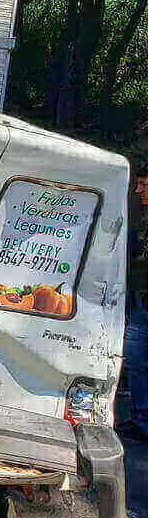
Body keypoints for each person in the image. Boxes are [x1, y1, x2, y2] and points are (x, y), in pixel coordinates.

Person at [120, 163, 148, 442]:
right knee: (137, 361)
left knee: (139, 359)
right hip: (141, 301)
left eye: (143, 185)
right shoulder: (143, 219)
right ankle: (142, 418)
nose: (138, 190)